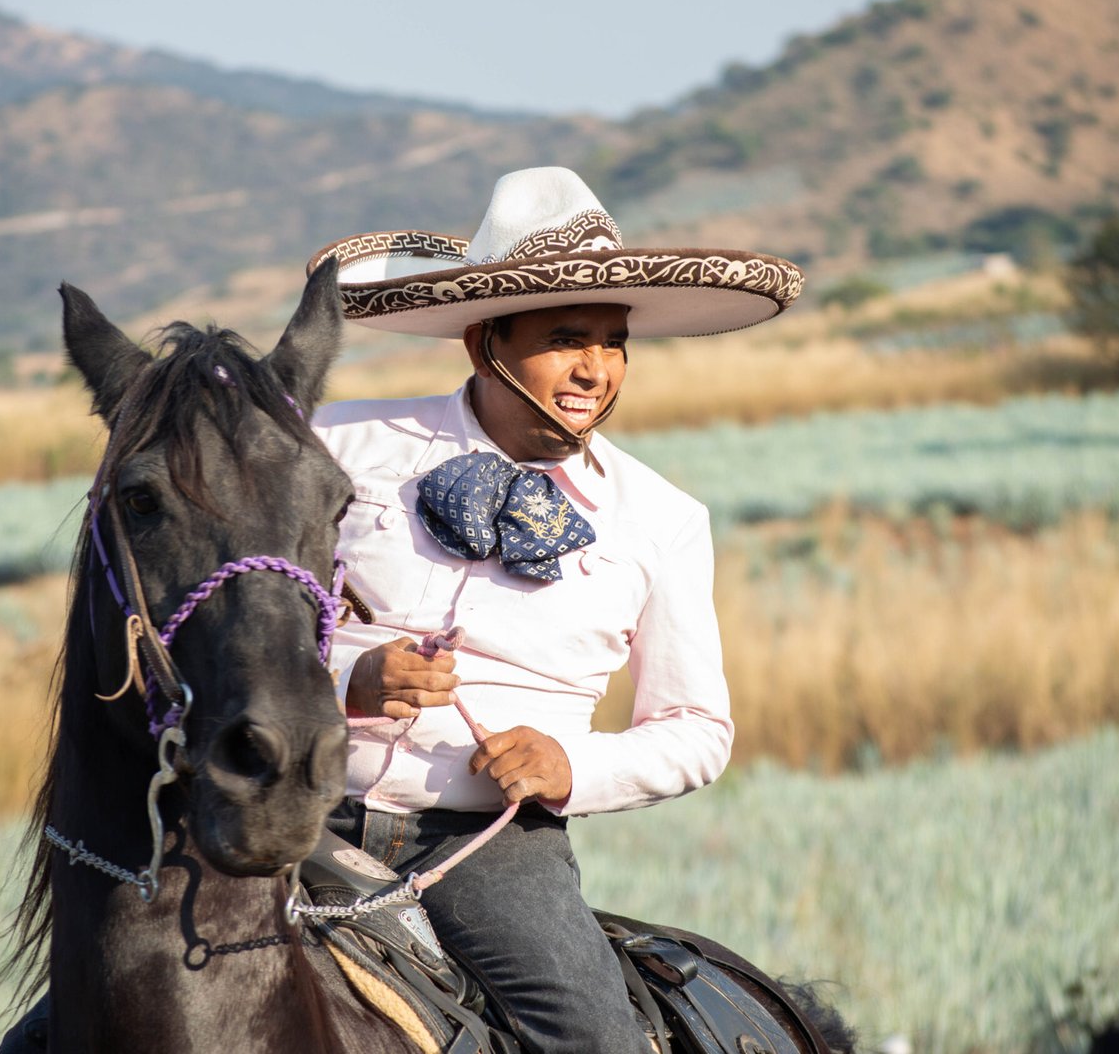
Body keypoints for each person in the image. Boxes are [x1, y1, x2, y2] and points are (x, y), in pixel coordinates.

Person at [308, 165, 803, 1051]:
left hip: (490, 847)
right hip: (287, 810)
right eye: (568, 336)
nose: (596, 369)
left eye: (615, 342)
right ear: (484, 342)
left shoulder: (663, 520)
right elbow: (223, 623)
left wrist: (568, 767)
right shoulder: (334, 447)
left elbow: (697, 729)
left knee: (593, 1041)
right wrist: (347, 676)